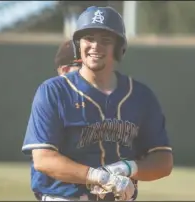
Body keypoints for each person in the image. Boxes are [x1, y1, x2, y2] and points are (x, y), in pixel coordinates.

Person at [22, 6, 173, 201]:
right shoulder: (53, 91)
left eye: (105, 40)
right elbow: (44, 159)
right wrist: (98, 176)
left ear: (119, 48)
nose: (95, 46)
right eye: (89, 38)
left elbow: (162, 160)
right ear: (78, 44)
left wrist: (127, 168)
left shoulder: (141, 96)